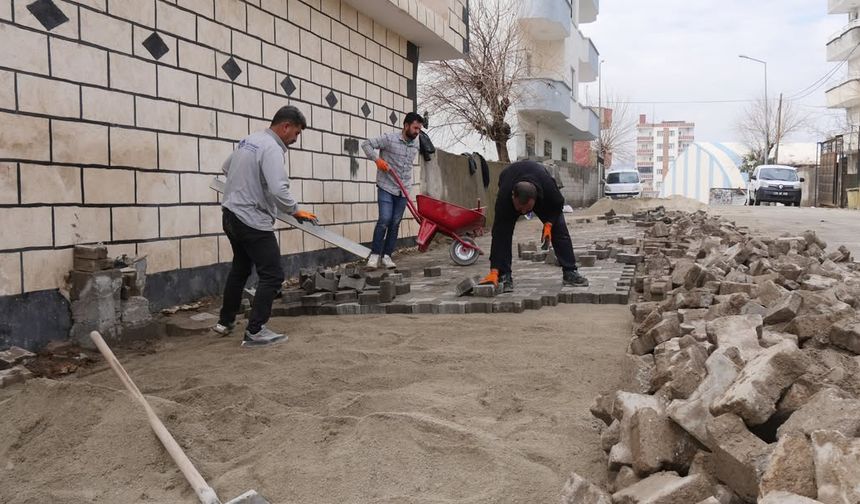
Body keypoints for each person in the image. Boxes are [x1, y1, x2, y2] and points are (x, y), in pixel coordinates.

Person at [213, 106, 318, 348]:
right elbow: (279, 188)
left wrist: (249, 185)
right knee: (272, 275)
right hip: (251, 219)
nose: (295, 139)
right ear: (286, 127)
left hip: (230, 214)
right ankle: (255, 330)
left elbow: (227, 168)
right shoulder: (272, 148)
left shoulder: (249, 140)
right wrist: (294, 209)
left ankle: (225, 321)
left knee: (240, 268)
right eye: (297, 133)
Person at [479, 160, 589, 291]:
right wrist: (494, 270)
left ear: (536, 199)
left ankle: (570, 272)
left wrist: (549, 223)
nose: (523, 212)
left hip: (539, 183)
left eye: (527, 208)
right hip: (510, 178)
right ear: (513, 196)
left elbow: (558, 204)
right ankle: (504, 275)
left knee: (559, 230)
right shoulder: (505, 198)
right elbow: (498, 235)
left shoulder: (548, 188)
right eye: (520, 208)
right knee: (503, 233)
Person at [361, 112, 424, 269]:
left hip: (403, 190)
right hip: (386, 186)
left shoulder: (416, 143)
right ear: (406, 125)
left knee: (395, 222)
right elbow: (366, 144)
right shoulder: (389, 139)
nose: (417, 132)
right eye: (415, 128)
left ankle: (387, 255)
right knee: (384, 220)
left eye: (419, 129)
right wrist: (377, 160)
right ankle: (375, 256)